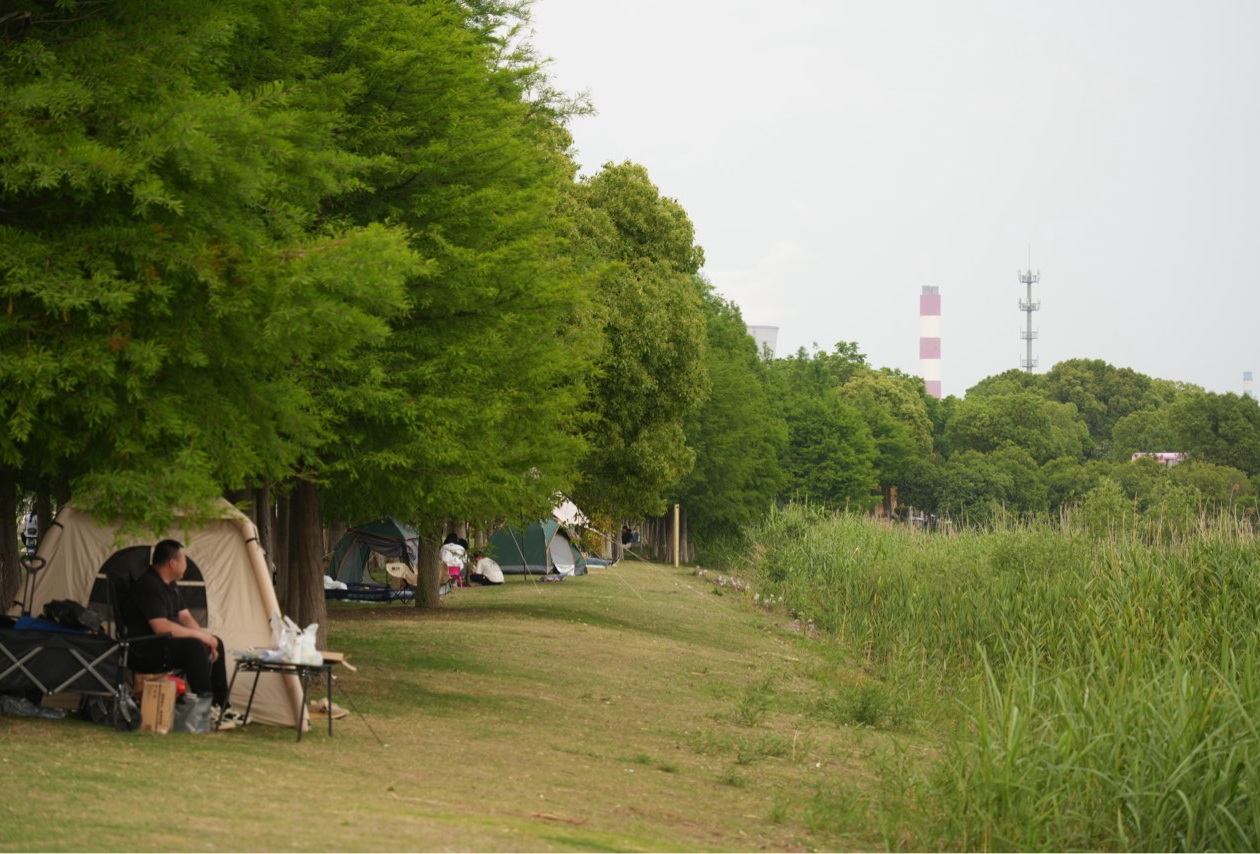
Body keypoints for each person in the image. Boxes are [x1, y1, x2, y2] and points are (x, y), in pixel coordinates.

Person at [122, 540, 241, 727]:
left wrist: (208, 641)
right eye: (184, 559)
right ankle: (206, 708)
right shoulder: (149, 584)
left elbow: (185, 617)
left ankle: (222, 706)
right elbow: (160, 626)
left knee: (216, 642)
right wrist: (200, 638)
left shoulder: (170, 585)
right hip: (144, 650)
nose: (186, 564)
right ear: (173, 563)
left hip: (162, 645)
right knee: (194, 646)